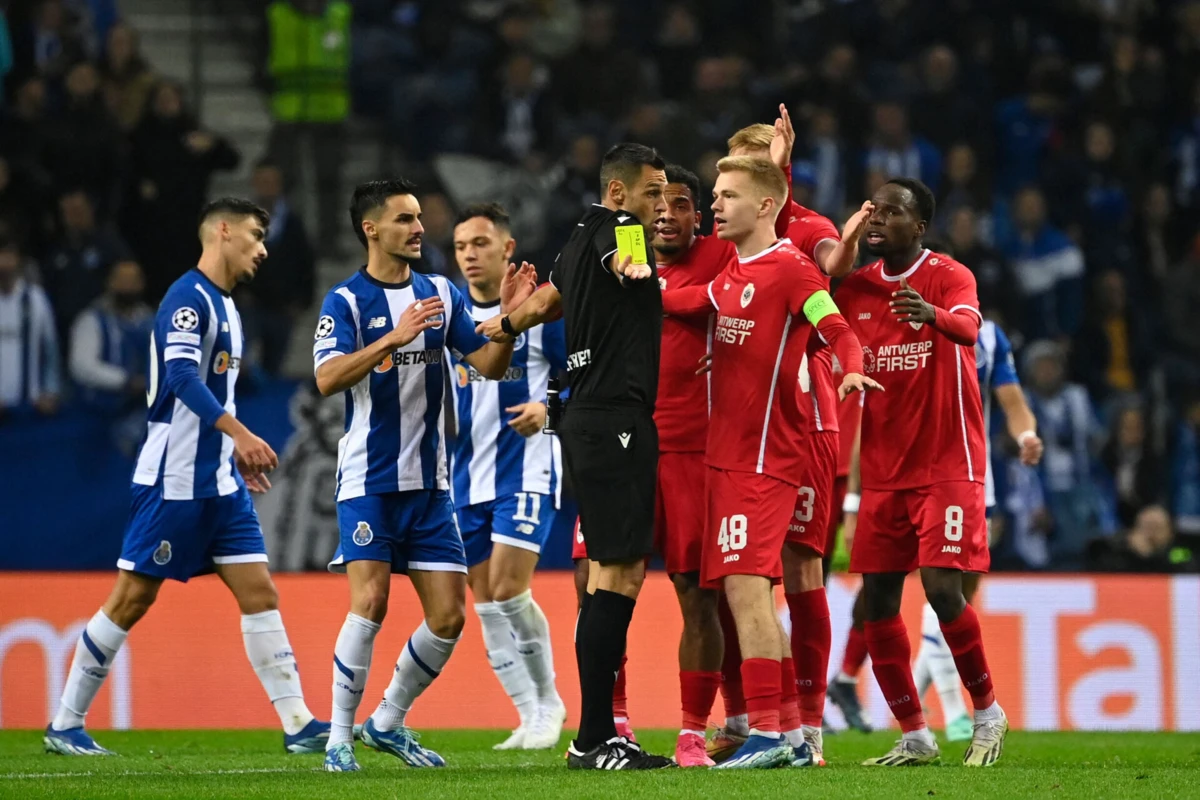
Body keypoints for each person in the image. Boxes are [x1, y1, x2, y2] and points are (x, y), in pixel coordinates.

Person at [44, 199, 330, 757]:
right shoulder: (186, 299)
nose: (263, 249)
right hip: (173, 480)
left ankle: (298, 723)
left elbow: (213, 390)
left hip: (220, 483)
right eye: (255, 235)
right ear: (222, 231)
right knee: (131, 599)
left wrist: (230, 453)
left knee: (260, 592)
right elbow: (178, 377)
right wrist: (239, 433)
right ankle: (65, 723)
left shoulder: (230, 308)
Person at [661, 156, 877, 770]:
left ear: (764, 206)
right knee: (744, 592)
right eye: (716, 194)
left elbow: (835, 326)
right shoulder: (733, 273)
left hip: (763, 459)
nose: (715, 205)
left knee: (747, 590)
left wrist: (851, 367)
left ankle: (769, 734)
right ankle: (786, 731)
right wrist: (642, 281)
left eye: (728, 195)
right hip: (728, 460)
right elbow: (689, 299)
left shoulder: (790, 269)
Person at [315, 180, 530, 773]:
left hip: (432, 486)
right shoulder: (346, 301)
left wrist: (509, 321)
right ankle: (338, 739)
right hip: (369, 480)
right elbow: (327, 378)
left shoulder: (439, 291)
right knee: (370, 602)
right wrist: (393, 338)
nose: (418, 228)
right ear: (371, 229)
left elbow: (488, 364)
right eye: (404, 219)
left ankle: (387, 721)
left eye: (417, 218)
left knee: (449, 616)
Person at [477, 143, 675, 770]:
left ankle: (599, 735)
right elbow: (628, 257)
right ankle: (593, 739)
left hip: (588, 417)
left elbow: (546, 302)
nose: (660, 205)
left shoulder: (576, 239)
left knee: (616, 574)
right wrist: (637, 267)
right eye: (652, 192)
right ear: (618, 192)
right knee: (614, 576)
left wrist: (507, 324)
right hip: (614, 417)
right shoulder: (619, 230)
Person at [836, 177, 1007, 767]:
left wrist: (930, 313)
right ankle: (915, 734)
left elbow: (969, 327)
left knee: (940, 589)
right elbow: (819, 321)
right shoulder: (858, 288)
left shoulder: (949, 275)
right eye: (873, 210)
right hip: (884, 470)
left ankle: (987, 712)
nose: (879, 218)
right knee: (877, 604)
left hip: (947, 463)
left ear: (920, 226)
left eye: (892, 212)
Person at [448, 202, 568, 750]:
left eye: (480, 243)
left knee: (506, 587)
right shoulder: (451, 315)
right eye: (460, 247)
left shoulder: (539, 310)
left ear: (507, 248)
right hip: (465, 475)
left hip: (527, 467)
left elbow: (583, 373)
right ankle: (527, 713)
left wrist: (549, 406)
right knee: (485, 601)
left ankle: (550, 702)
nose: (470, 255)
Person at [911, 318, 1042, 741]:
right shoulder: (902, 317)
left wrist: (1026, 435)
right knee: (942, 589)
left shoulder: (987, 335)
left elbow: (1012, 400)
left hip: (972, 476)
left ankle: (914, 707)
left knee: (958, 598)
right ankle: (953, 714)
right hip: (911, 474)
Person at [649, 164, 736, 767]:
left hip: (694, 448)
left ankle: (691, 732)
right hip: (623, 448)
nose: (666, 214)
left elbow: (728, 297)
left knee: (699, 594)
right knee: (596, 586)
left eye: (679, 204)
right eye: (657, 202)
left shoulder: (719, 254)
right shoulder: (618, 254)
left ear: (698, 216)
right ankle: (609, 725)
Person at [68, 259, 154, 454]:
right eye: (122, 280)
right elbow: (81, 366)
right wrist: (125, 381)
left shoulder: (151, 321)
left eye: (133, 280)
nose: (128, 286)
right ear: (110, 283)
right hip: (98, 419)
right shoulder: (92, 320)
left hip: (143, 415)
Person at [0, 236, 60, 418]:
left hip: (30, 407)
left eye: (8, 256)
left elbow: (50, 350)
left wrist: (50, 391)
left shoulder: (36, 299)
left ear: (18, 260)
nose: (3, 264)